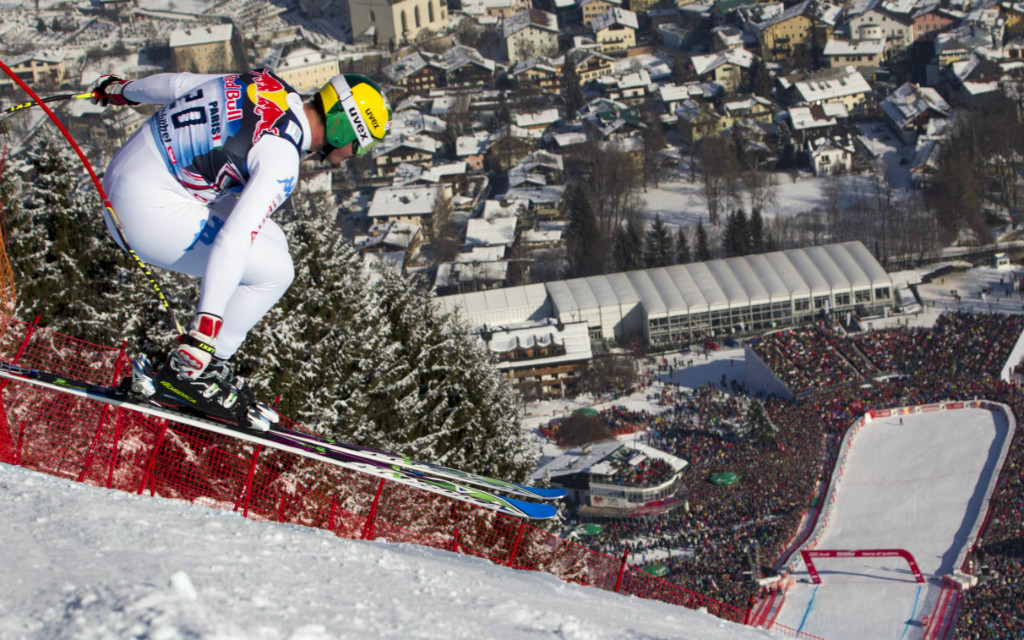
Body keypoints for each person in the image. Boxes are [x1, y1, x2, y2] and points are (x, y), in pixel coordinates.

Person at [89, 69, 392, 429]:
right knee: (276, 273)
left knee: (275, 241)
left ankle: (203, 365)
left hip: (126, 176)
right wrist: (203, 331)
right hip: (141, 214)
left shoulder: (267, 84)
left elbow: (177, 85)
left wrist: (123, 91)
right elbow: (233, 239)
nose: (353, 155)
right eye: (360, 144)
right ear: (344, 127)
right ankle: (194, 371)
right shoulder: (281, 156)